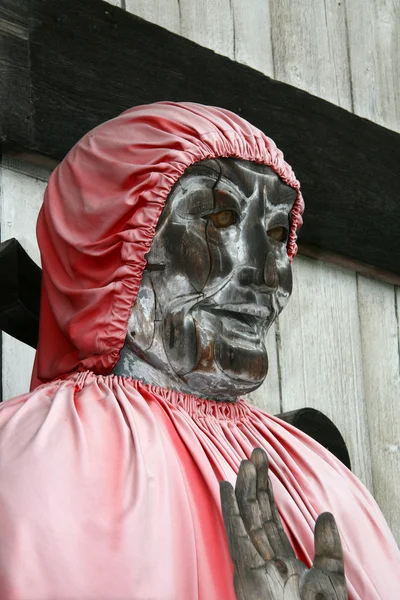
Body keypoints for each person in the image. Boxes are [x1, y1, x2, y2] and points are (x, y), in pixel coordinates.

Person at [0, 102, 398, 599]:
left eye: (276, 233)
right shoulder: (32, 466)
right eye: (221, 217)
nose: (268, 273)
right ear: (111, 241)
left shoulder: (324, 481)